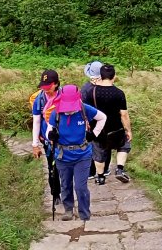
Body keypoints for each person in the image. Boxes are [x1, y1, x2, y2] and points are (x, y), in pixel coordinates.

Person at [48, 85, 106, 222]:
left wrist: (94, 134)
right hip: (63, 155)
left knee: (81, 186)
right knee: (66, 185)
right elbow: (49, 130)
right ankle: (68, 209)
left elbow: (102, 117)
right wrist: (51, 135)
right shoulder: (55, 112)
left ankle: (84, 212)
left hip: (83, 155)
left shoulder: (84, 109)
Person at [86, 64, 133, 184]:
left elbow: (86, 112)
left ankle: (100, 177)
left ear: (100, 76)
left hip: (99, 129)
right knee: (124, 145)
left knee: (99, 152)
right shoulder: (119, 93)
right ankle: (119, 169)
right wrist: (128, 130)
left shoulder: (91, 92)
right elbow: (124, 114)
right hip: (116, 128)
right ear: (114, 76)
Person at [81, 60, 104, 179]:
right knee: (103, 146)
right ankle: (103, 170)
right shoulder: (108, 87)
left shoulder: (85, 88)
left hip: (90, 120)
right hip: (104, 120)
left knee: (89, 146)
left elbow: (82, 106)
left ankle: (90, 172)